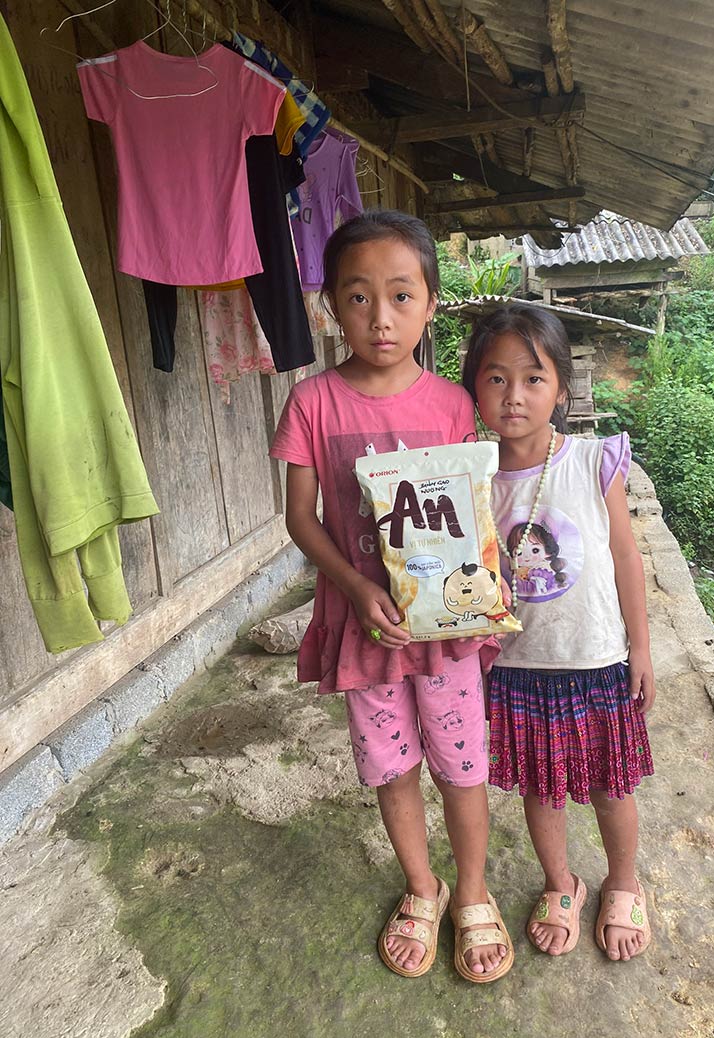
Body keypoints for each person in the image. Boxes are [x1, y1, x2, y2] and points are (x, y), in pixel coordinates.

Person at [270, 210, 514, 983]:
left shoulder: (449, 403)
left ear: (432, 303)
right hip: (363, 627)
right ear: (329, 305)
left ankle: (472, 891)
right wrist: (353, 582)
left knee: (461, 763)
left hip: (443, 626)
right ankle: (423, 885)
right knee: (391, 766)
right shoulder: (313, 404)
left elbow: (468, 509)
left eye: (402, 296)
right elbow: (299, 518)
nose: (381, 318)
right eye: (359, 297)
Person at [462, 305, 655, 963]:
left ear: (561, 391)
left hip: (596, 658)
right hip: (516, 666)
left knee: (611, 784)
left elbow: (626, 557)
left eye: (533, 378)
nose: (514, 395)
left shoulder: (593, 462)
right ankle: (560, 882)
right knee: (543, 789)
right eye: (494, 379)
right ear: (473, 389)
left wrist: (642, 650)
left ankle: (624, 881)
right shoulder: (470, 480)